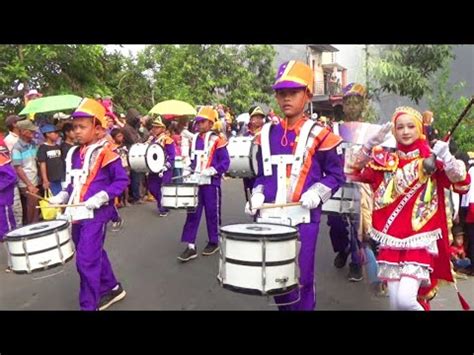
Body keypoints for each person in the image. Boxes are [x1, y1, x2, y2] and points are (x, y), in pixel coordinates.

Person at [245, 60, 345, 310]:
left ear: (307, 94)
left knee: (302, 280)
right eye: (281, 93)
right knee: (276, 280)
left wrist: (317, 193)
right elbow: (261, 176)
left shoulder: (322, 134)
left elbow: (335, 175)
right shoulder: (266, 134)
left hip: (303, 220)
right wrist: (257, 194)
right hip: (269, 220)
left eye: (293, 92)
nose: (286, 98)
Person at [351, 106, 471, 310]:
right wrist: (368, 145)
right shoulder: (385, 161)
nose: (405, 131)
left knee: (407, 301)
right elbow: (353, 171)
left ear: (420, 130)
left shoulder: (433, 160)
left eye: (410, 126)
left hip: (419, 241)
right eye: (400, 127)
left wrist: (448, 158)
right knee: (395, 305)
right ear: (394, 131)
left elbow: (462, 184)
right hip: (391, 242)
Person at [48, 98, 128, 311]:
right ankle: (112, 287)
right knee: (93, 253)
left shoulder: (108, 152)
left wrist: (103, 196)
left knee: (86, 260)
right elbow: (74, 183)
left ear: (99, 129)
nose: (77, 131)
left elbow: (121, 180)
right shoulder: (75, 153)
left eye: (82, 127)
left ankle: (88, 305)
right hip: (76, 214)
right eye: (74, 127)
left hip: (96, 214)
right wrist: (63, 196)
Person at [178, 106, 230, 262]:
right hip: (195, 182)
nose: (199, 125)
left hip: (211, 183)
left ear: (211, 123)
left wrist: (213, 170)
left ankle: (214, 241)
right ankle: (190, 245)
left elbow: (225, 162)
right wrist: (188, 168)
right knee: (192, 212)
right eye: (198, 122)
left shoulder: (218, 140)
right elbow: (190, 159)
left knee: (212, 213)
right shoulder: (193, 139)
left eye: (203, 122)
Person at [11, 119, 40, 225]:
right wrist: (29, 185)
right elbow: (18, 168)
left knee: (35, 206)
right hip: (26, 183)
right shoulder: (17, 148)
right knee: (32, 207)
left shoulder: (33, 144)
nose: (33, 133)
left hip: (36, 180)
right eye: (31, 131)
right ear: (23, 132)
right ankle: (32, 228)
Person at [147, 117, 176, 217]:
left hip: (164, 168)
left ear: (163, 129)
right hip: (153, 168)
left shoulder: (168, 140)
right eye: (154, 127)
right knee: (152, 188)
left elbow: (172, 155)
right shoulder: (151, 139)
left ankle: (163, 208)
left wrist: (166, 166)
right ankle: (164, 202)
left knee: (163, 188)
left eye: (157, 127)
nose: (154, 129)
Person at [0, 139, 18, 272]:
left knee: (8, 230)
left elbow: (11, 176)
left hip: (3, 200)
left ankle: (14, 261)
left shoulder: (1, 158)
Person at [37, 124, 65, 196]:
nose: (57, 135)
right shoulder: (43, 148)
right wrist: (45, 179)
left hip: (61, 178)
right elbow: (42, 164)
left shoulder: (58, 147)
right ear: (47, 134)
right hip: (51, 179)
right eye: (55, 133)